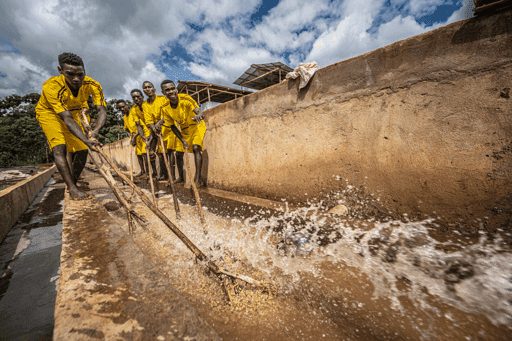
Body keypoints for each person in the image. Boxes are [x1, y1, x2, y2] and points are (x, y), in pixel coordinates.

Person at [35, 52, 106, 200]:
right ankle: (72, 189)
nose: (76, 79)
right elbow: (65, 119)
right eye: (70, 74)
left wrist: (96, 131)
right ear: (60, 71)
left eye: (80, 74)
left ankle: (73, 182)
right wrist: (86, 139)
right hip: (50, 114)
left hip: (72, 114)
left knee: (82, 150)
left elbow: (101, 110)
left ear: (84, 72)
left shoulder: (93, 85)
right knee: (59, 147)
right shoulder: (52, 86)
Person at [156, 79, 206, 187]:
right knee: (178, 153)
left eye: (173, 88)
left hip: (196, 126)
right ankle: (181, 178)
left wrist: (199, 115)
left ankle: (197, 179)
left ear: (176, 89)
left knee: (196, 147)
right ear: (163, 93)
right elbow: (172, 126)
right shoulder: (165, 108)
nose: (171, 92)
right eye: (167, 90)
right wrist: (182, 140)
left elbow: (198, 111)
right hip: (183, 131)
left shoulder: (185, 98)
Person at [141, 81, 171, 181]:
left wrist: (159, 123)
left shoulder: (163, 99)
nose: (147, 89)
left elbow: (167, 113)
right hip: (155, 129)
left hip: (167, 126)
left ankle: (170, 175)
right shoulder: (145, 105)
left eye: (149, 87)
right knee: (158, 152)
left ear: (154, 89)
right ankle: (162, 174)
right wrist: (154, 128)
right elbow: (149, 120)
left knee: (166, 152)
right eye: (145, 88)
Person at [118, 99, 147, 176]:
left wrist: (134, 137)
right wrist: (130, 135)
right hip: (135, 137)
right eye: (120, 108)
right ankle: (143, 171)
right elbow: (126, 128)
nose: (122, 109)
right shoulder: (124, 117)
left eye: (123, 107)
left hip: (141, 135)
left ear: (127, 105)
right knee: (139, 155)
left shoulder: (133, 111)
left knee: (144, 154)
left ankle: (148, 172)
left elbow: (139, 126)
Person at [131, 89, 154, 178]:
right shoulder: (134, 109)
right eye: (134, 98)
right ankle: (148, 173)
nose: (136, 99)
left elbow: (153, 121)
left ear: (142, 97)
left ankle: (155, 173)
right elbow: (138, 124)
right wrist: (143, 136)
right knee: (145, 153)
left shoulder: (148, 105)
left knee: (153, 153)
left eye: (138, 97)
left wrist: (151, 136)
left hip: (154, 129)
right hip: (144, 132)